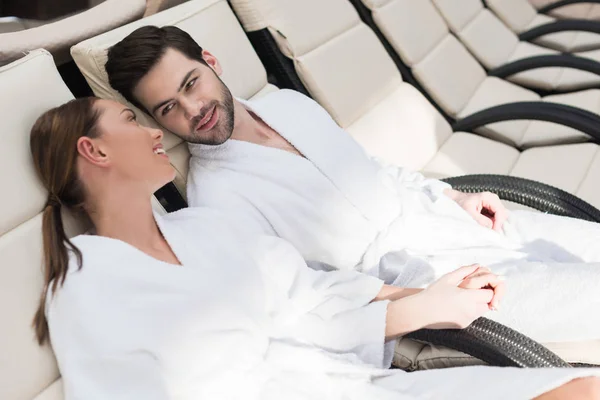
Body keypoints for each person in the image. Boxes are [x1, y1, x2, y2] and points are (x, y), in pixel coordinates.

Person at [30, 96, 600, 400]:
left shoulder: (203, 230)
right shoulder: (89, 289)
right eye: (135, 119)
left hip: (360, 385)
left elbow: (313, 295)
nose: (160, 133)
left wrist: (427, 299)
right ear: (94, 151)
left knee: (582, 388)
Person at [104, 25, 600, 356]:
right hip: (434, 279)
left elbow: (372, 169)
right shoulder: (219, 200)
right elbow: (301, 301)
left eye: (192, 83)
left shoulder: (289, 105)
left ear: (212, 62)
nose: (193, 109)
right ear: (157, 120)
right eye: (169, 108)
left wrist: (454, 196)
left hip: (451, 219)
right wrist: (423, 300)